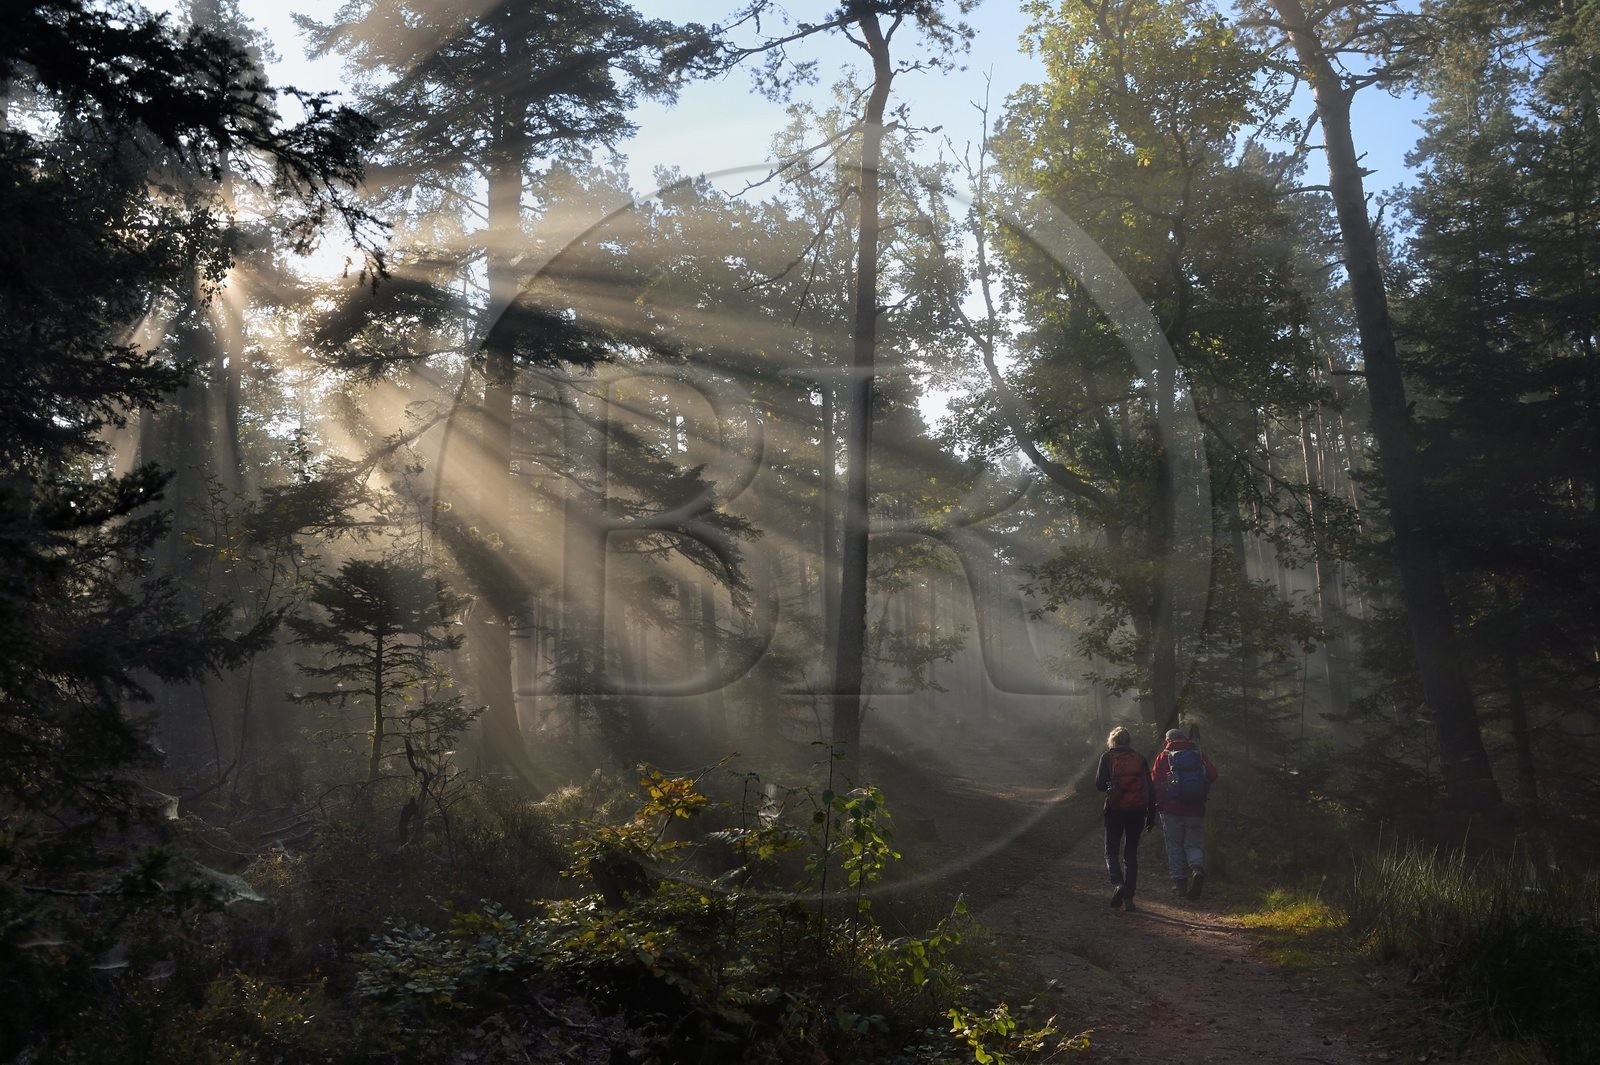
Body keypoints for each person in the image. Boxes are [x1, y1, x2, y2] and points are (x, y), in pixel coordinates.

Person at [1151, 727, 1219, 899]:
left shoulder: (1163, 756)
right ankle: (1196, 869)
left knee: (1174, 845)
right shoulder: (1197, 754)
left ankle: (1180, 884)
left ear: (1168, 740)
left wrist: (1158, 806)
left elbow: (1155, 783)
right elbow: (1213, 774)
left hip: (1171, 810)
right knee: (1194, 843)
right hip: (1195, 809)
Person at [1094, 726, 1155, 912]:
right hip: (1137, 811)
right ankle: (1129, 900)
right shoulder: (1140, 758)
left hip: (1115, 810)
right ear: (1129, 741)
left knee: (1111, 851)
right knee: (1130, 855)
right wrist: (1151, 815)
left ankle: (1118, 884)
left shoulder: (1107, 757)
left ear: (1113, 740)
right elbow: (1150, 788)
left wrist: (1112, 786)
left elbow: (1098, 785)